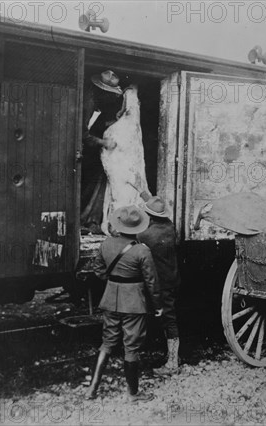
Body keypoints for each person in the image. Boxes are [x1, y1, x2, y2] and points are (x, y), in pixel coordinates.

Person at [86, 205, 162, 402]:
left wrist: (113, 282)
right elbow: (151, 282)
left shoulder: (107, 244)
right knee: (131, 347)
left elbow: (98, 269)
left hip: (111, 298)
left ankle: (92, 389)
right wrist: (158, 305)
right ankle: (133, 393)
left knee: (107, 342)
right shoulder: (142, 251)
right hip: (134, 302)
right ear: (137, 228)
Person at [137, 193, 182, 374]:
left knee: (168, 320)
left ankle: (172, 364)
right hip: (172, 278)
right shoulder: (170, 227)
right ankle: (173, 355)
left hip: (159, 283)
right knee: (169, 316)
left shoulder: (145, 235)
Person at [80, 70, 124, 233]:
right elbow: (82, 134)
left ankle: (89, 217)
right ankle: (85, 218)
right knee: (89, 183)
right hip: (84, 152)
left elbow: (94, 124)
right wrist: (103, 142)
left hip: (90, 151)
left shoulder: (96, 103)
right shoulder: (88, 103)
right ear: (101, 90)